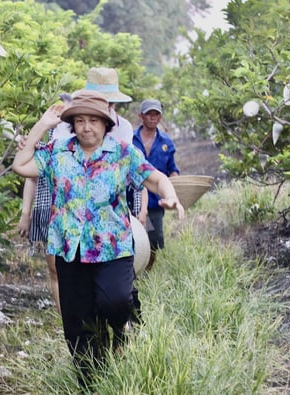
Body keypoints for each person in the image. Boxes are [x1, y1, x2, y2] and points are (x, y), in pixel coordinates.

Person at [13, 91, 184, 388]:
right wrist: (41, 125)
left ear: (105, 124)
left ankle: (124, 324)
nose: (86, 127)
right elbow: (21, 165)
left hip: (112, 247)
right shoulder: (57, 151)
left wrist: (169, 197)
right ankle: (91, 380)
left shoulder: (121, 153)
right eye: (79, 120)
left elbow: (155, 178)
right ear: (72, 124)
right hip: (69, 248)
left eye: (93, 120)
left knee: (115, 301)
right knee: (77, 323)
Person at [17, 67, 136, 314]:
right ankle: (73, 318)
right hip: (62, 202)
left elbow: (131, 169)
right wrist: (26, 212)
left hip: (106, 204)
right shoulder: (64, 125)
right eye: (80, 121)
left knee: (111, 277)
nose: (86, 127)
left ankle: (117, 317)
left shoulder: (123, 128)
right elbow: (32, 166)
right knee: (64, 268)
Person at [133, 99, 180, 271]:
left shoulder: (166, 142)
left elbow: (172, 169)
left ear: (160, 117)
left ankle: (147, 270)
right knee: (132, 235)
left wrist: (174, 187)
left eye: (156, 114)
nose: (153, 118)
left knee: (154, 238)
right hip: (133, 197)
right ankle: (132, 270)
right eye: (149, 114)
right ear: (141, 116)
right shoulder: (130, 139)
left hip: (155, 201)